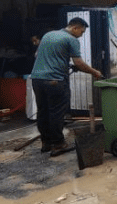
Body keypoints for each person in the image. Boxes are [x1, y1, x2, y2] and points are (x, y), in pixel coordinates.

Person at [31, 17, 103, 155]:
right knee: (56, 112)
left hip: (37, 80)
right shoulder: (71, 39)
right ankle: (58, 144)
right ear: (75, 28)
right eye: (81, 32)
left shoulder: (48, 35)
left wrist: (63, 63)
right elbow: (79, 63)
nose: (81, 35)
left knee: (43, 111)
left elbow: (38, 55)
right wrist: (95, 72)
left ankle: (46, 143)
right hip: (55, 81)